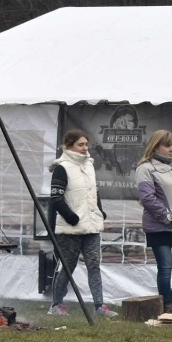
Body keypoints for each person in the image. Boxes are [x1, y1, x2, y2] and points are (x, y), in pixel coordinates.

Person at [48, 130, 116, 317]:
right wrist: (71, 217)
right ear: (69, 146)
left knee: (94, 265)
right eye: (81, 144)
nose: (85, 148)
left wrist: (100, 211)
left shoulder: (90, 165)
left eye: (86, 144)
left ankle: (99, 306)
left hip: (92, 227)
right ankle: (56, 304)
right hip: (70, 229)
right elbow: (55, 198)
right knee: (67, 267)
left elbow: (94, 193)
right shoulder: (61, 168)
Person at [134, 130, 172, 314]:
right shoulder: (145, 168)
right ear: (156, 147)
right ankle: (166, 305)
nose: (171, 149)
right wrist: (166, 217)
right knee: (165, 268)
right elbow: (147, 198)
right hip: (159, 228)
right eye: (167, 145)